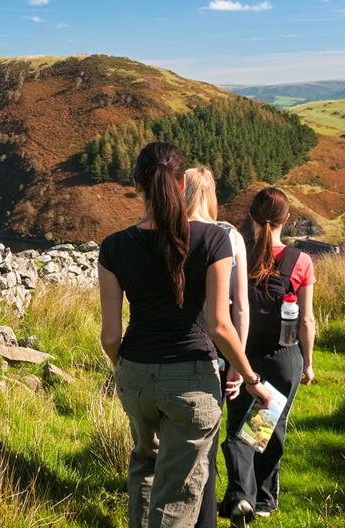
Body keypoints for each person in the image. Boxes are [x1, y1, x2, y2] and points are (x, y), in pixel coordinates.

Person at [98, 142, 271, 528]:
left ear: (136, 186)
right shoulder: (214, 240)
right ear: (181, 185)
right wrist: (251, 378)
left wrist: (123, 368)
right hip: (192, 382)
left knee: (144, 465)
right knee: (178, 492)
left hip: (136, 376)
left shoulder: (113, 247)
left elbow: (110, 335)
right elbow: (219, 323)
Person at [220, 187, 316, 526]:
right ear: (286, 219)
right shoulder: (300, 261)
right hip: (283, 358)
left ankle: (242, 497)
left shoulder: (236, 254)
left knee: (241, 428)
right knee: (266, 428)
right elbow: (306, 319)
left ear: (251, 217)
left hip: (240, 355)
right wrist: (307, 362)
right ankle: (260, 499)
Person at [183, 167, 250, 528]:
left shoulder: (169, 232)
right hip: (217, 347)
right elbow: (240, 305)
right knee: (206, 446)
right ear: (211, 195)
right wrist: (238, 364)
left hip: (175, 344)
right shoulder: (230, 237)